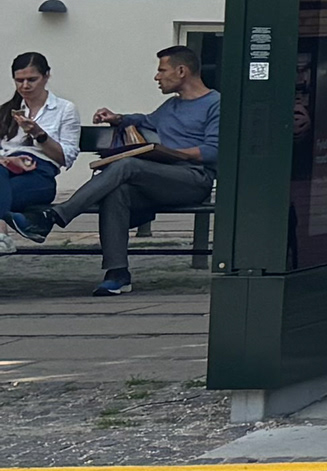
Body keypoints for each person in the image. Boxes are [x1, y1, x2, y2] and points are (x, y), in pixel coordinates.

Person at [24, 45, 219, 297]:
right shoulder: (171, 107)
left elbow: (214, 150)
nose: (157, 77)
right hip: (159, 180)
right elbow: (144, 120)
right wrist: (116, 118)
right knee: (118, 192)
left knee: (128, 164)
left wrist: (176, 154)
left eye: (162, 70)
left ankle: (56, 216)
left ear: (181, 71)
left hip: (193, 179)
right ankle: (117, 273)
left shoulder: (215, 104)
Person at [0, 51, 73, 240]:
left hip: (39, 174)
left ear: (46, 76)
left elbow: (66, 158)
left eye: (32, 79)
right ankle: (17, 228)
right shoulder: (7, 111)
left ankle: (23, 227)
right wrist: (9, 161)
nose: (25, 86)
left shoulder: (64, 109)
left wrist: (39, 135)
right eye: (19, 80)